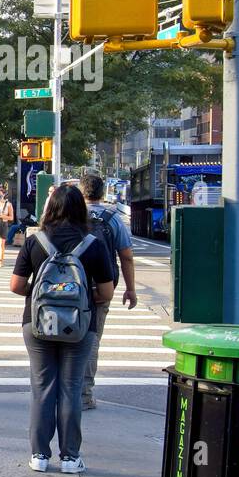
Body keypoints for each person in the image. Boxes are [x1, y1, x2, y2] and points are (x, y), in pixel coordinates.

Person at [11, 184, 115, 474]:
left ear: (50, 208)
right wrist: (77, 298)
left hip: (37, 322)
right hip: (80, 326)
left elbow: (16, 286)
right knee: (71, 387)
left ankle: (39, 456)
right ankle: (70, 458)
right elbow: (106, 292)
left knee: (42, 387)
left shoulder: (36, 241)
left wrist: (43, 294)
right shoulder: (93, 243)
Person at [80, 172, 138, 410]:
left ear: (81, 193)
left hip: (71, 285)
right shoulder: (113, 217)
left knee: (66, 336)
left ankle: (63, 390)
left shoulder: (71, 215)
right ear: (102, 193)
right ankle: (84, 394)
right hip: (101, 288)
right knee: (92, 337)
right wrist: (130, 289)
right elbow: (126, 256)